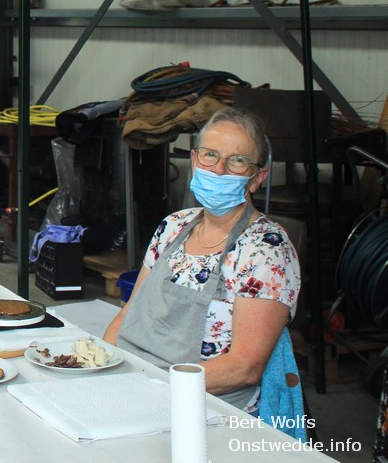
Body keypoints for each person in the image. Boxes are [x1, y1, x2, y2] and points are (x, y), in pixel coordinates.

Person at [103, 107, 301, 413]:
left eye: (237, 161)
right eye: (210, 155)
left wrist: (153, 388)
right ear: (195, 161)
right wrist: (104, 363)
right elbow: (129, 313)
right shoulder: (174, 226)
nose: (219, 169)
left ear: (257, 177)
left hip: (204, 402)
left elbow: (244, 367)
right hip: (135, 382)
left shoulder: (265, 250)